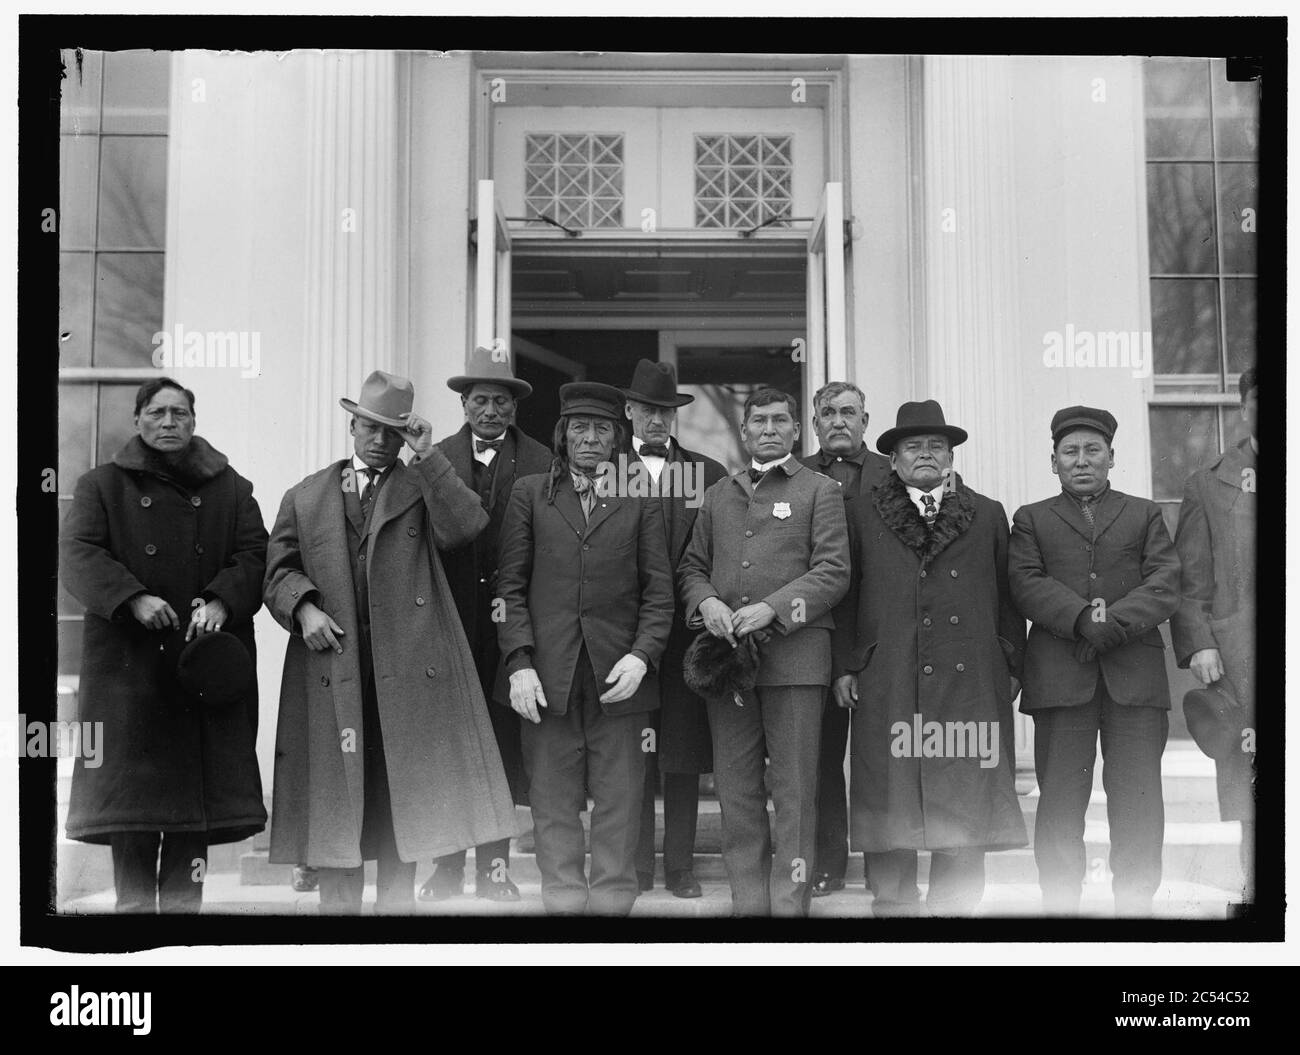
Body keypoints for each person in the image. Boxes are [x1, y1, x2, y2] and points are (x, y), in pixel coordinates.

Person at [264, 369, 520, 915]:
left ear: (406, 433)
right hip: (335, 671)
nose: (379, 440)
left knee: (398, 807)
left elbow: (466, 526)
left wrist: (428, 456)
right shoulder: (307, 495)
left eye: (392, 430)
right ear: (352, 426)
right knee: (339, 811)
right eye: (369, 428)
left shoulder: (423, 487)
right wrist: (304, 606)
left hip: (406, 673)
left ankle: (393, 930)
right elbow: (277, 571)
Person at [60, 377, 269, 913]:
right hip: (130, 676)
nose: (169, 422)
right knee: (130, 812)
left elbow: (254, 556)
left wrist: (222, 600)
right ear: (138, 421)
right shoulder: (101, 486)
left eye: (180, 413)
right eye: (157, 412)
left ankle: (180, 927)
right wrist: (132, 598)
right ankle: (132, 920)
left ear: (194, 422)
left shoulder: (232, 489)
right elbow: (78, 553)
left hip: (199, 674)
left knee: (190, 816)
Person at [832, 400, 1026, 917]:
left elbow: (1008, 597)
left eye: (935, 446)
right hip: (889, 670)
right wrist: (846, 666)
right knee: (890, 785)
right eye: (912, 447)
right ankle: (893, 904)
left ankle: (954, 907)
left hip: (969, 676)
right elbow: (845, 596)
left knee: (963, 783)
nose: (924, 454)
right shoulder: (860, 512)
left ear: (950, 456)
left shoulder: (987, 513)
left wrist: (1010, 661)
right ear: (893, 460)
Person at [495, 381, 675, 916]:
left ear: (617, 438)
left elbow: (660, 594)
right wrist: (519, 664)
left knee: (621, 804)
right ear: (563, 435)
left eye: (601, 429)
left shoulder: (640, 500)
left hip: (620, 681)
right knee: (552, 805)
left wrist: (642, 656)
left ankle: (614, 909)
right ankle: (565, 909)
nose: (590, 439)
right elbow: (508, 592)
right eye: (580, 428)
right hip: (546, 681)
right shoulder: (530, 493)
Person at [677, 388, 849, 917]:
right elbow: (691, 568)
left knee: (795, 790)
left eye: (780, 420)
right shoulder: (717, 494)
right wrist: (706, 603)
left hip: (796, 663)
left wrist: (773, 608)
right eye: (759, 421)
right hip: (729, 664)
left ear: (797, 430)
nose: (770, 429)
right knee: (736, 789)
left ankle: (789, 906)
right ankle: (749, 906)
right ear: (746, 432)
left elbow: (833, 570)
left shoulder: (821, 490)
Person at [1009, 406, 1181, 916]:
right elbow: (1025, 583)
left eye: (1092, 451)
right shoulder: (1031, 518)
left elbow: (1165, 583)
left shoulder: (1145, 513)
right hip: (1062, 679)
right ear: (1054, 462)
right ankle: (1061, 908)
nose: (1081, 461)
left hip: (1135, 680)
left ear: (1111, 457)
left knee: (1139, 800)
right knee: (1060, 802)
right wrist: (1083, 619)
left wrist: (1110, 626)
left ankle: (1136, 906)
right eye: (1070, 453)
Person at [418, 347, 552, 903]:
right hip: (451, 620)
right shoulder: (433, 456)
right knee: (451, 745)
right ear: (463, 403)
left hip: (517, 623)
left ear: (514, 407)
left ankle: (496, 873)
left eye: (500, 400)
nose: (490, 410)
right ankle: (446, 870)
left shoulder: (544, 461)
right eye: (480, 400)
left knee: (500, 746)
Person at [621, 359, 728, 900]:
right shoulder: (608, 471)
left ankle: (680, 867)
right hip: (628, 636)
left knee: (682, 754)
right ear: (630, 411)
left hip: (686, 633)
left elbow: (719, 551)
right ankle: (636, 865)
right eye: (647, 410)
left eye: (666, 411)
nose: (657, 420)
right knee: (632, 754)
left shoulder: (708, 473)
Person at [1172, 368, 1257, 913]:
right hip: (1243, 654)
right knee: (1254, 779)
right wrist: (1200, 640)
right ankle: (1259, 890)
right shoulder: (1210, 482)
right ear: (1245, 406)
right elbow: (1190, 577)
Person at [801, 381, 891, 898]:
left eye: (849, 413)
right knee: (819, 759)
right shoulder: (797, 475)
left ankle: (883, 865)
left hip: (881, 633)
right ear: (814, 424)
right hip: (817, 634)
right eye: (828, 413)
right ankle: (826, 865)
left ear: (865, 420)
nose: (838, 421)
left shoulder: (892, 473)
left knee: (879, 758)